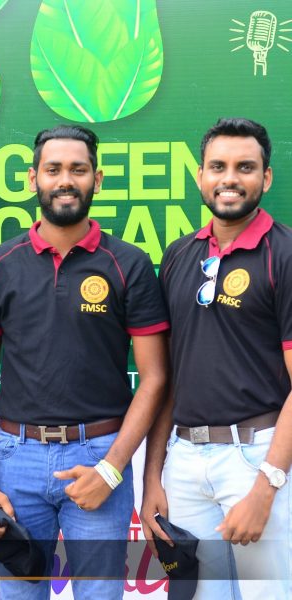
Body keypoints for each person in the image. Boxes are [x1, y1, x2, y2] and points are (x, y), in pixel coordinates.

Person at [0, 125, 169, 599]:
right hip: (16, 460)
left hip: (99, 455)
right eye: (53, 169)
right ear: (33, 178)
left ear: (97, 180)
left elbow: (155, 377)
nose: (65, 180)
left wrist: (111, 469)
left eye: (78, 170)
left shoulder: (129, 263)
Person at [141, 118, 292, 599]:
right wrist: (153, 477)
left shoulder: (285, 254)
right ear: (200, 176)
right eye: (218, 166)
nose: (230, 178)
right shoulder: (178, 255)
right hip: (184, 461)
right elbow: (168, 378)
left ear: (266, 177)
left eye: (245, 167)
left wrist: (265, 487)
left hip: (257, 458)